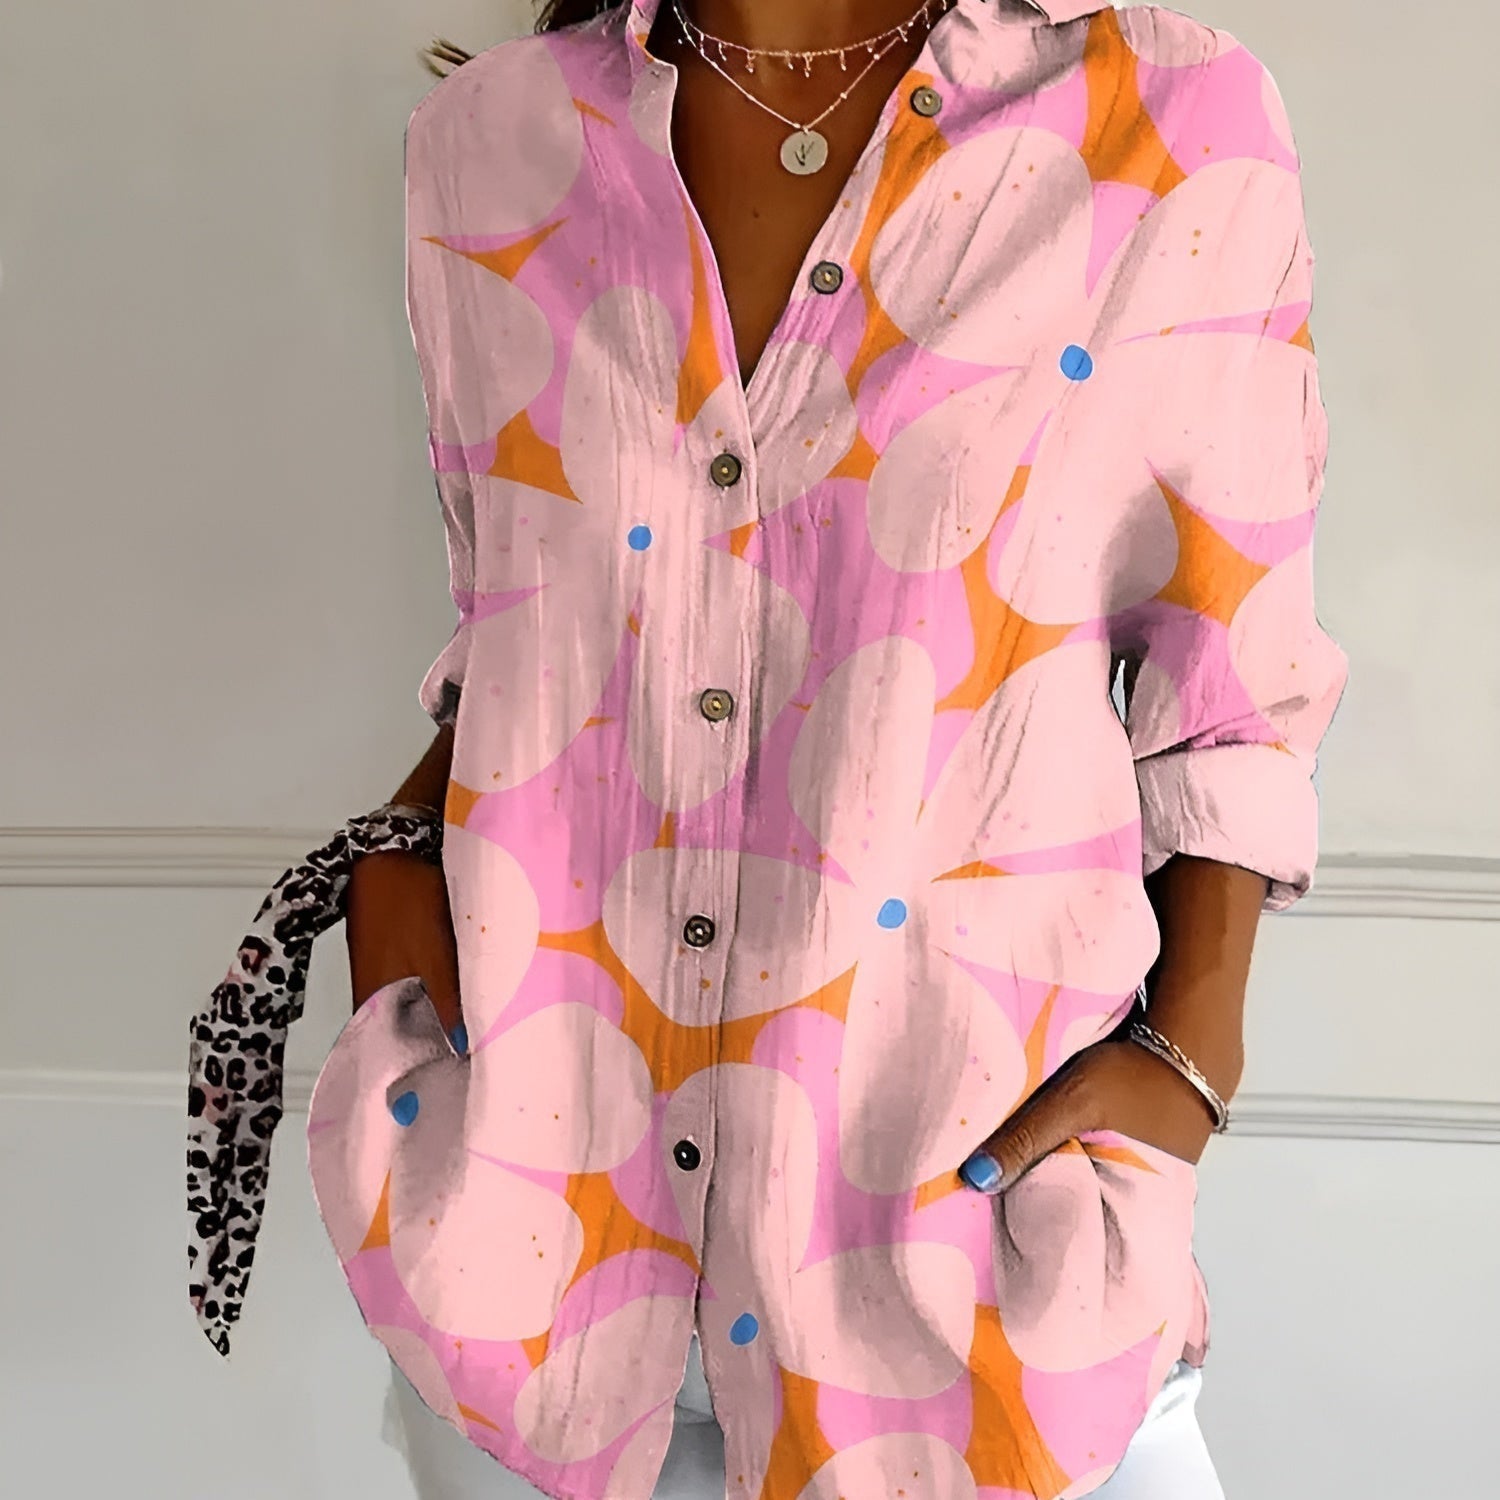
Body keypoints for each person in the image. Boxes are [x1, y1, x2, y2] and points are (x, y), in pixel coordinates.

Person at [186, 2, 1347, 1497]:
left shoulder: (1173, 123)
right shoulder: (488, 145)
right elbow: (526, 627)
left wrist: (1189, 1064)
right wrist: (395, 903)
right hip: (532, 1261)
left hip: (971, 1282)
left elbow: (1231, 687)